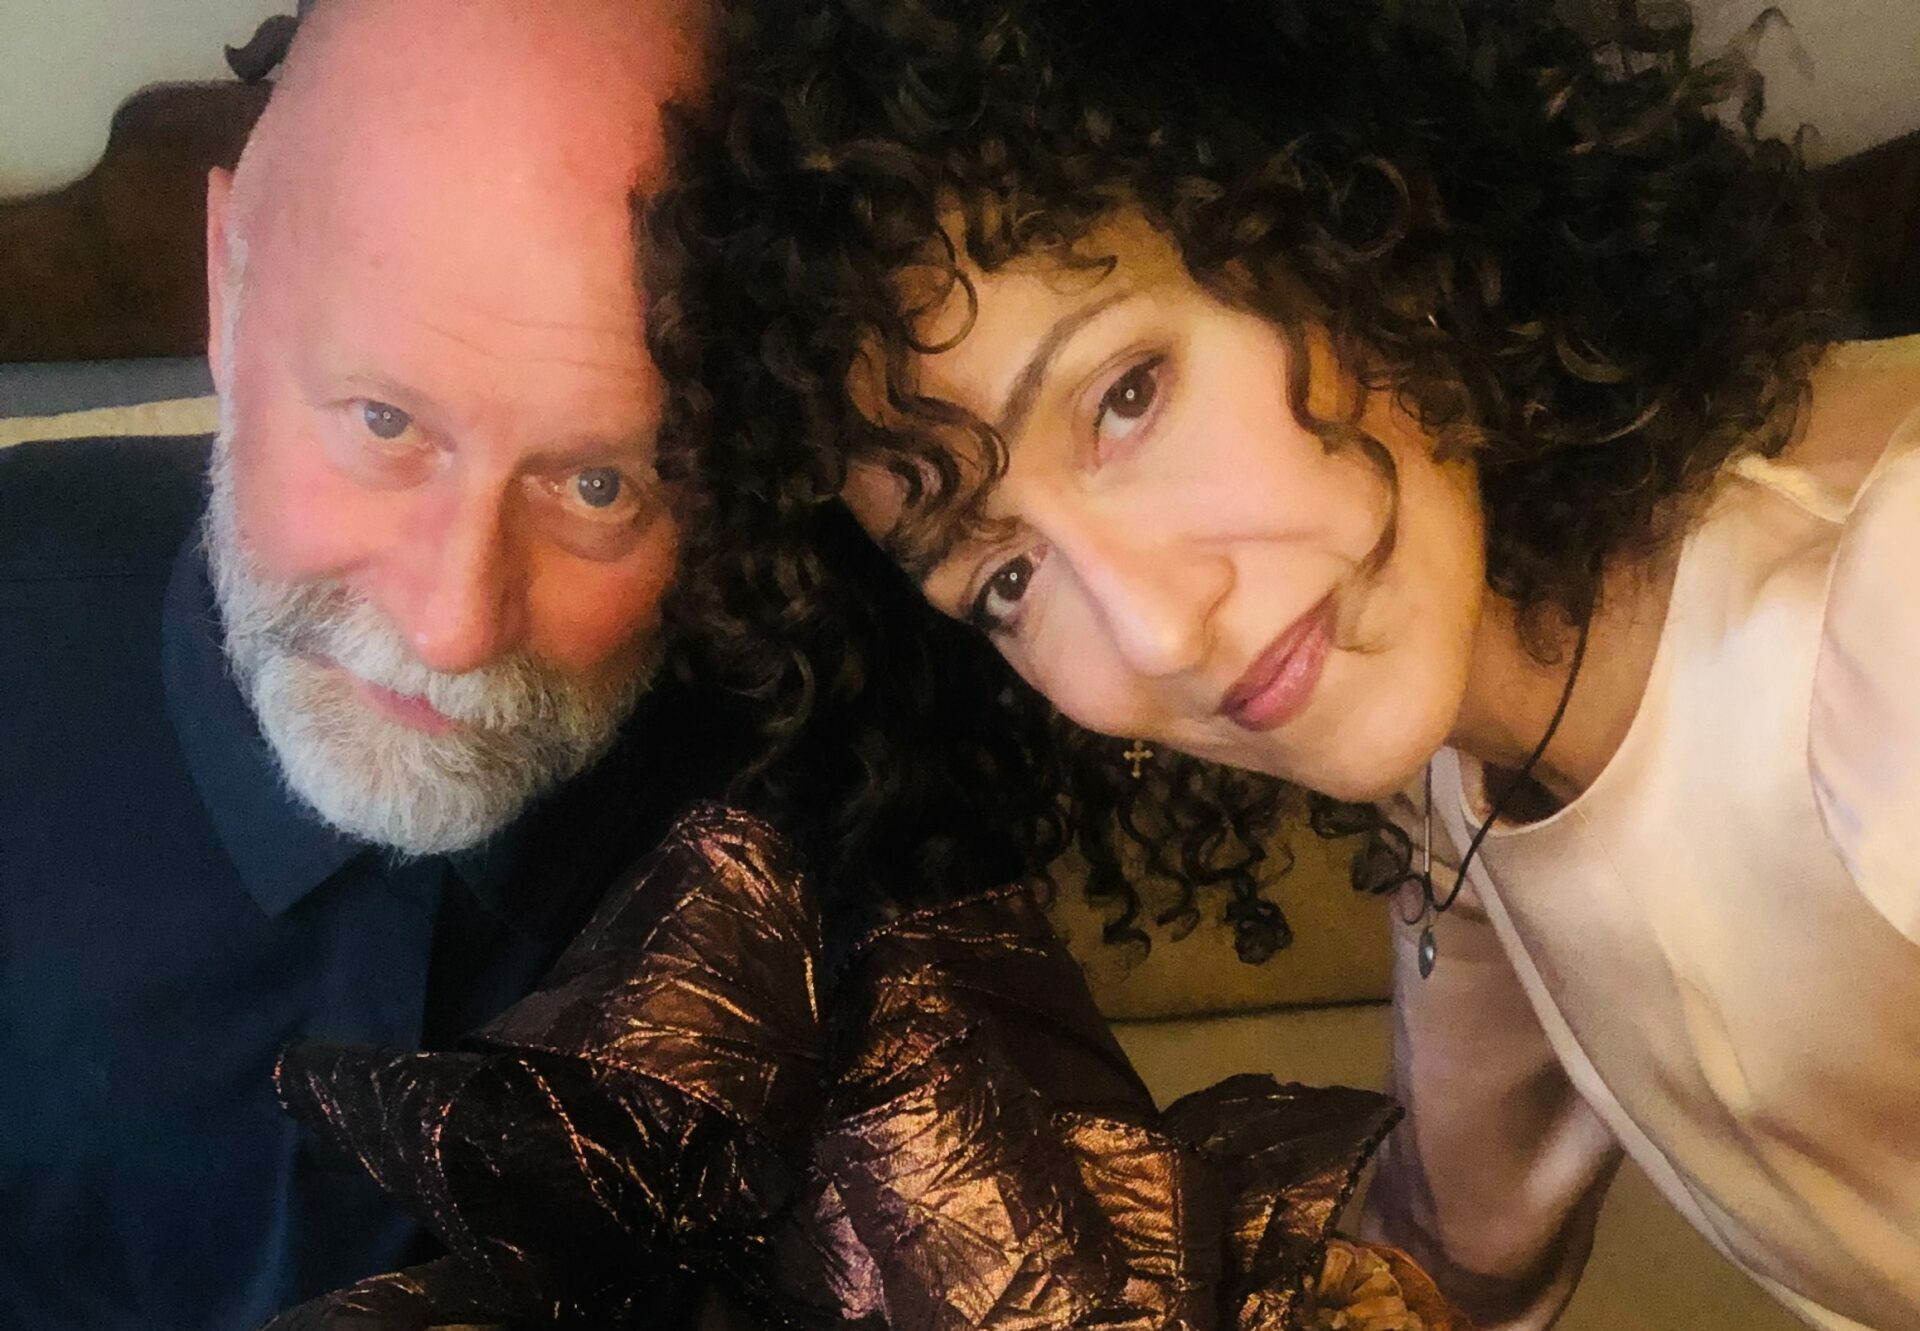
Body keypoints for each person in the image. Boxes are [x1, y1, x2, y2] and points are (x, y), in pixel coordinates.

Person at [646, 0, 1920, 1328]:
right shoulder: (1467, 784)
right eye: (1005, 580)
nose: (1154, 632)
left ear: (1354, 205)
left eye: (1128, 395)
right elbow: (1449, 1260)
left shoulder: (1884, 611)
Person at [0, 1, 729, 1327]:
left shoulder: (804, 733)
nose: (454, 627)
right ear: (229, 287)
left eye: (599, 485)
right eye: (385, 421)